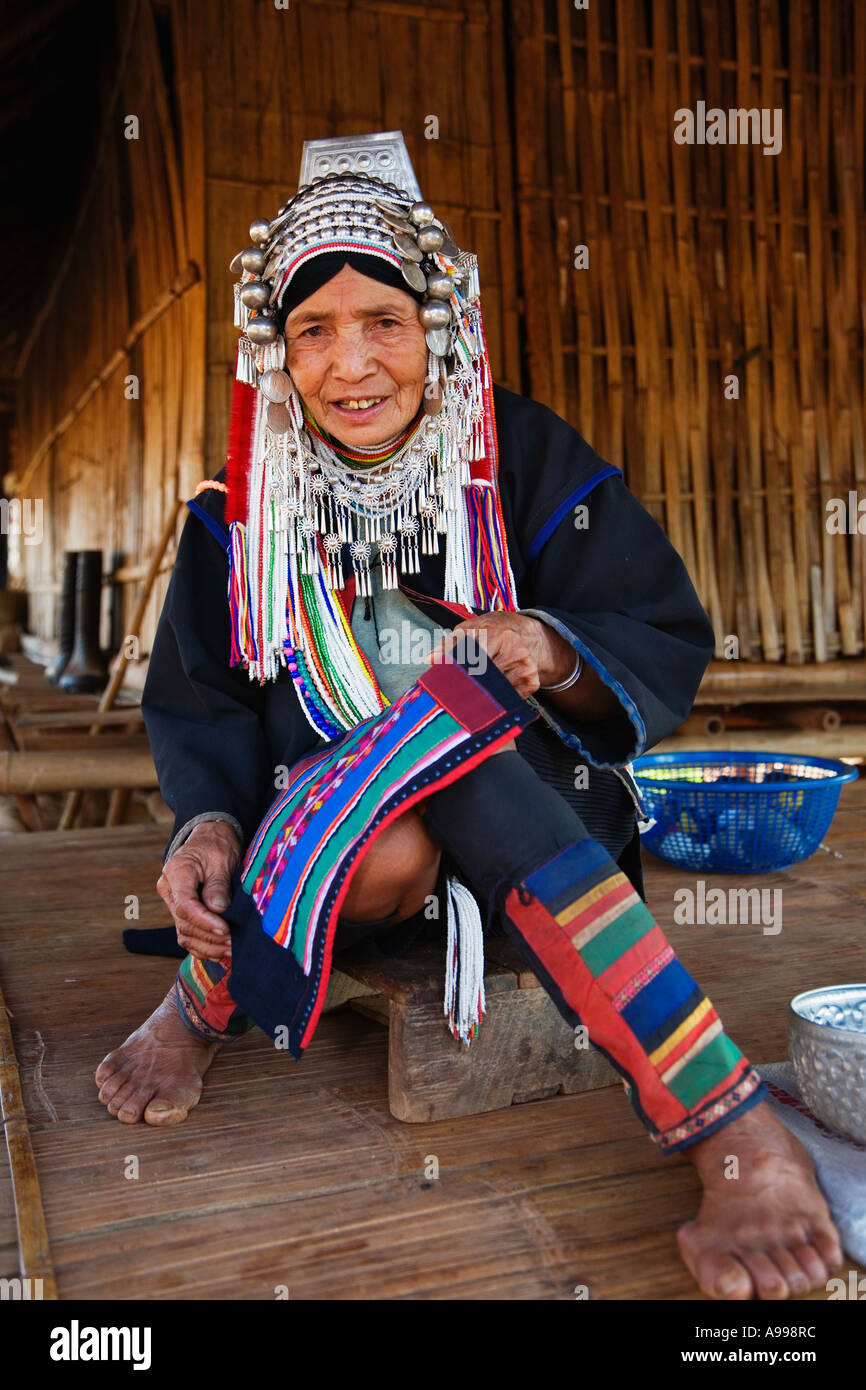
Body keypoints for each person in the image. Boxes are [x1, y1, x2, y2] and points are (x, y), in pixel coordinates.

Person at [95, 135, 842, 1301]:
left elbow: (657, 633)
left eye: (383, 320)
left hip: (539, 828)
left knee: (454, 725)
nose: (351, 363)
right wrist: (204, 826)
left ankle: (207, 997)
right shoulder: (235, 517)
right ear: (274, 355)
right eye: (312, 330)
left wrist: (547, 648)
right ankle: (727, 1116)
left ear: (436, 326)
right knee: (394, 799)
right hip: (342, 859)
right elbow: (205, 705)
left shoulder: (528, 458)